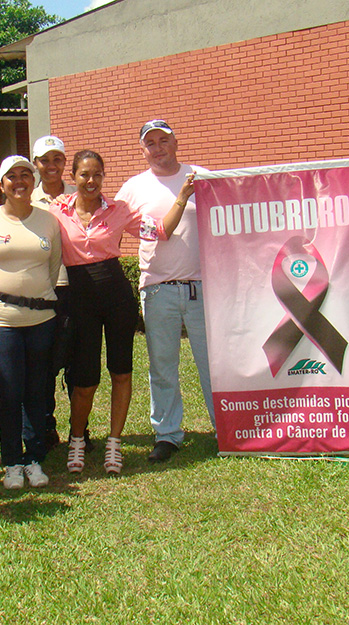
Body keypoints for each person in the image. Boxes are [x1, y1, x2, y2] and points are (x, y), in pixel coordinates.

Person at [51, 149, 191, 474]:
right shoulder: (57, 211)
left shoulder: (118, 210)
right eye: (84, 174)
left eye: (97, 174)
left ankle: (114, 443)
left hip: (116, 297)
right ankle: (77, 440)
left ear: (103, 177)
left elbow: (159, 232)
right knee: (85, 379)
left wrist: (182, 199)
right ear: (73, 177)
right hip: (79, 299)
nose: (91, 181)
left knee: (121, 372)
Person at [114, 120, 215, 463]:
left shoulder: (201, 176)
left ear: (175, 142)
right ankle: (167, 434)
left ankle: (226, 427)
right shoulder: (133, 188)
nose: (158, 148)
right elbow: (110, 224)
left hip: (203, 287)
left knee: (212, 363)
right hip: (158, 289)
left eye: (163, 140)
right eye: (150, 144)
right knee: (162, 367)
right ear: (143, 151)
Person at [0, 155, 62, 489]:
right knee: (10, 390)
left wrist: (32, 296)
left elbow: (53, 266)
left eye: (25, 175)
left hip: (41, 317)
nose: (19, 181)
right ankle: (12, 462)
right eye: (11, 177)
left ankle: (34, 458)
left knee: (36, 388)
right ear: (1, 184)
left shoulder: (48, 221)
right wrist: (0, 296)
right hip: (0, 319)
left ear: (33, 181)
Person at [31, 135, 77, 450]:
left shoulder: (79, 196)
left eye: (57, 159)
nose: (51, 165)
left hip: (76, 288)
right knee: (43, 365)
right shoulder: (24, 199)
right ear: (35, 164)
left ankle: (80, 430)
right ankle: (46, 427)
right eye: (45, 160)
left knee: (78, 363)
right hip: (41, 290)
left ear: (64, 163)